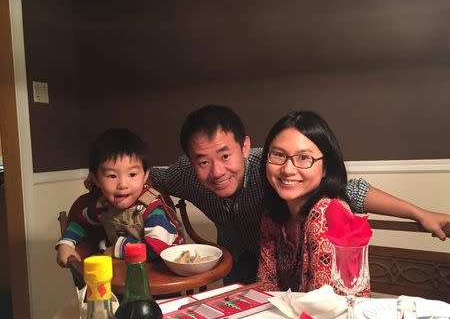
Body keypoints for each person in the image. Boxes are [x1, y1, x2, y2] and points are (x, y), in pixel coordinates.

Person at [86, 105, 450, 283]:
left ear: (245, 146)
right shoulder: (186, 174)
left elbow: (349, 190)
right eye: (202, 161)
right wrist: (101, 186)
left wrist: (420, 213)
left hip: (295, 260)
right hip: (238, 262)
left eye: (225, 155)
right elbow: (147, 179)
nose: (216, 171)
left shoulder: (274, 165)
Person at [256, 110, 370, 295]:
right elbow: (266, 287)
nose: (287, 169)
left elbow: (321, 303)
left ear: (326, 168)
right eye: (278, 154)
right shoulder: (273, 212)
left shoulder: (326, 212)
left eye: (303, 158)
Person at [56, 128, 184, 267]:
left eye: (132, 175)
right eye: (112, 176)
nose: (122, 185)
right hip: (127, 271)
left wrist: (116, 250)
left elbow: (157, 248)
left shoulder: (151, 208)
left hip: (164, 272)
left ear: (145, 175)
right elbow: (80, 223)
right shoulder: (102, 206)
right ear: (96, 179)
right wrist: (66, 243)